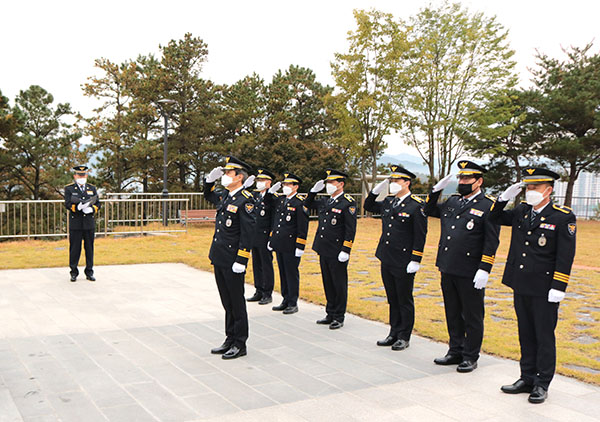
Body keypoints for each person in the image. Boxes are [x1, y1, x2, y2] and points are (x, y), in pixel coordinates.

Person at [491, 167, 576, 404]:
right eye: (528, 187)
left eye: (535, 187)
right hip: (521, 283)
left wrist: (559, 285)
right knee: (525, 333)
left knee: (543, 335)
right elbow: (494, 218)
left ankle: (542, 383)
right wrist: (502, 199)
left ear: (548, 190)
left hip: (545, 286)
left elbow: (565, 254)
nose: (530, 191)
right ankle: (526, 377)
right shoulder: (521, 211)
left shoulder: (562, 216)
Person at [423, 160, 500, 373]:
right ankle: (455, 350)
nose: (462, 181)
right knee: (453, 311)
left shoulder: (488, 205)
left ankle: (470, 355)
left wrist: (485, 268)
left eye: (467, 178)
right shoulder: (453, 201)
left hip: (471, 270)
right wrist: (435, 191)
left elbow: (491, 240)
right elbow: (428, 210)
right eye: (461, 178)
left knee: (472, 314)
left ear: (479, 181)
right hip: (448, 266)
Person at [363, 165, 427, 351]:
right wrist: (376, 191)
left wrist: (416, 259)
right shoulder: (390, 202)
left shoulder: (416, 205)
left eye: (396, 180)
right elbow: (368, 206)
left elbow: (420, 235)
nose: (392, 183)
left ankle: (404, 336)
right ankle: (393, 332)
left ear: (407, 182)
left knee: (404, 299)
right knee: (392, 298)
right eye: (391, 180)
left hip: (404, 259)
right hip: (387, 256)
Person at [203, 156, 257, 360]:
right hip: (220, 256)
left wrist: (241, 260)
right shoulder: (226, 196)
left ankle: (240, 342)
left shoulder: (246, 200)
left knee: (236, 301)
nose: (225, 176)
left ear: (240, 177)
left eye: (228, 173)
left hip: (234, 259)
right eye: (224, 173)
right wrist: (209, 181)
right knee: (227, 301)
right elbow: (207, 195)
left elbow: (248, 233)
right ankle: (229, 338)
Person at [306, 169, 357, 329]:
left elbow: (350, 229)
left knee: (339, 283)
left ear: (341, 184)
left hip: (337, 250)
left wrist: (346, 249)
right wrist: (312, 192)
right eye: (327, 183)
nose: (328, 185)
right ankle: (330, 312)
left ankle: (339, 316)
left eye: (331, 182)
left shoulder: (347, 202)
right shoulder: (326, 201)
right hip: (324, 247)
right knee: (327, 281)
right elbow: (307, 205)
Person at [267, 173, 309, 314]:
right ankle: (285, 299)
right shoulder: (281, 200)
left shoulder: (299, 202)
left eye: (288, 185)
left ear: (296, 187)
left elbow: (302, 227)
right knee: (283, 272)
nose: (285, 187)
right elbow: (276, 221)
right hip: (280, 243)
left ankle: (293, 302)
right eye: (284, 185)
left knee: (291, 273)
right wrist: (273, 240)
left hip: (291, 245)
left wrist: (300, 246)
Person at [63, 165, 101, 282]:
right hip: (76, 223)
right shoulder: (69, 189)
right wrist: (77, 207)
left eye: (83, 175)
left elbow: (98, 203)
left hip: (88, 223)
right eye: (79, 175)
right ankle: (73, 272)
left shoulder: (92, 188)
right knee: (75, 248)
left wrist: (92, 209)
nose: (81, 177)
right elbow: (67, 203)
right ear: (75, 176)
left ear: (87, 176)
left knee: (89, 248)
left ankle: (89, 272)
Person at [246, 168, 277, 305]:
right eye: (258, 180)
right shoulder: (256, 196)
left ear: (269, 182)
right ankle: (258, 290)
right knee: (256, 263)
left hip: (265, 236)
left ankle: (267, 292)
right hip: (255, 235)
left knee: (266, 264)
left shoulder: (273, 198)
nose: (259, 183)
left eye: (262, 180)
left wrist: (271, 237)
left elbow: (275, 219)